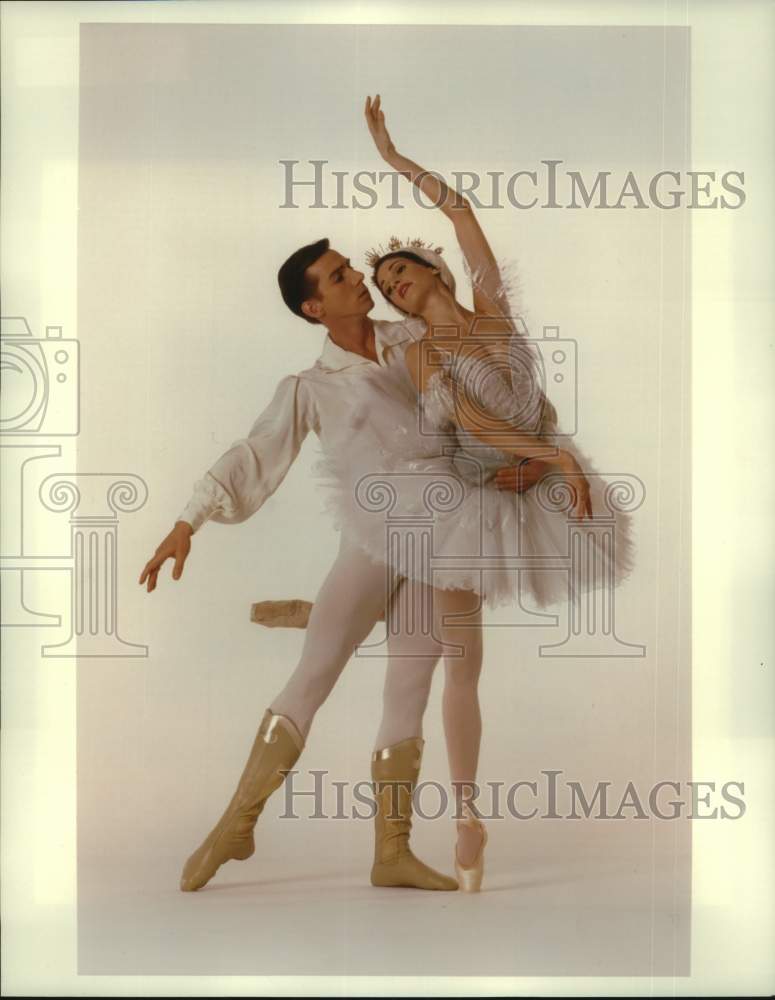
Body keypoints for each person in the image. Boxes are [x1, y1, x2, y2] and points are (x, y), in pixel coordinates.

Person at [138, 228, 546, 893]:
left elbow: (479, 409)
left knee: (409, 683)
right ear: (312, 310)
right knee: (315, 674)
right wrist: (189, 521)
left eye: (349, 273)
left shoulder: (415, 341)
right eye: (336, 279)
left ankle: (392, 852)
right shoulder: (309, 386)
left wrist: (524, 463)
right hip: (376, 536)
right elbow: (253, 451)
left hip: (440, 536)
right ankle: (233, 826)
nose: (357, 280)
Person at [315, 96, 637, 890]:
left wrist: (393, 159)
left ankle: (459, 812)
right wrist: (552, 460)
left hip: (533, 473)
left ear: (435, 272)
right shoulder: (421, 353)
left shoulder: (492, 306)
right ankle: (466, 816)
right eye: (384, 285)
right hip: (469, 497)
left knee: (467, 663)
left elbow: (457, 210)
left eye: (400, 271)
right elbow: (469, 424)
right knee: (463, 662)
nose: (391, 286)